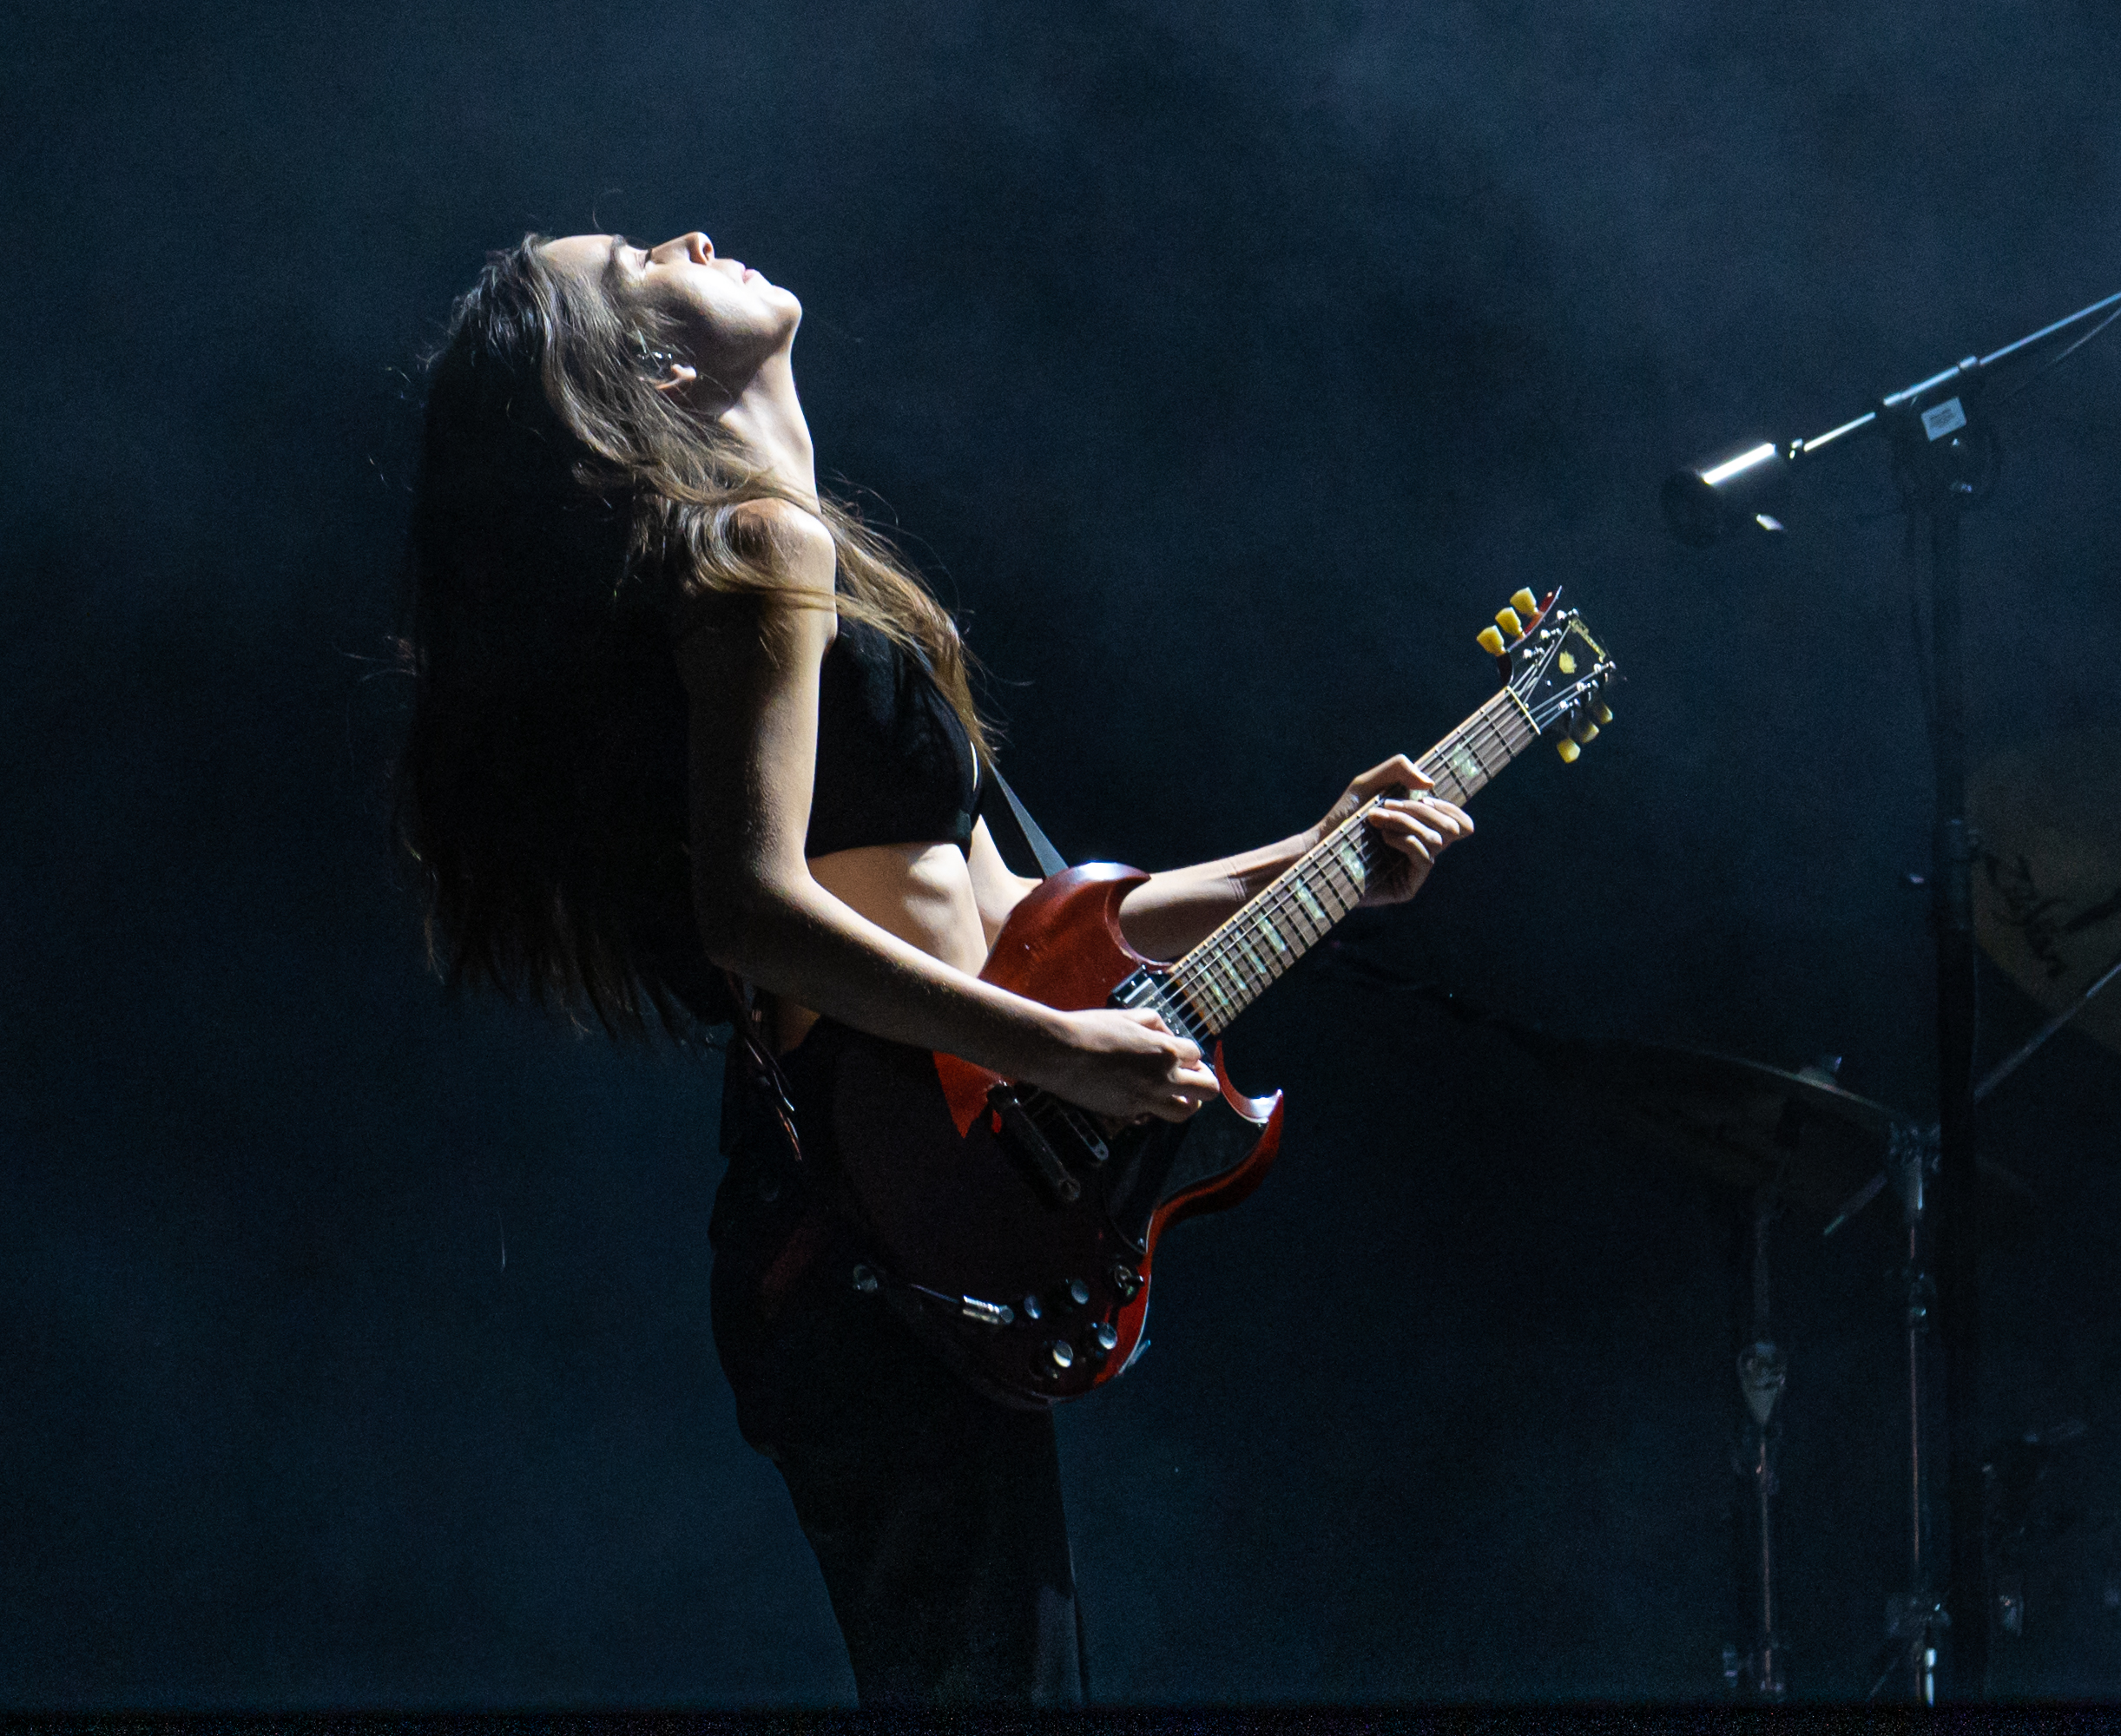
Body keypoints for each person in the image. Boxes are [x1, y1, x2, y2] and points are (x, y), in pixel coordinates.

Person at [393, 228, 1472, 1705]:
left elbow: (1022, 914)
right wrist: (1056, 1055)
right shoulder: (757, 555)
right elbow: (753, 915)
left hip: (913, 1209)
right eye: (643, 257)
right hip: (863, 1228)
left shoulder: (787, 544)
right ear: (649, 364)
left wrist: (1320, 857)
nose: (691, 234)